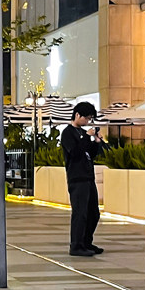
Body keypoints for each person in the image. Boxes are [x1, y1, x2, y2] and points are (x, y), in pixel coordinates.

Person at [60, 101, 104, 256]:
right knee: (80, 213)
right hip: (77, 178)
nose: (87, 121)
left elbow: (89, 153)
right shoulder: (68, 133)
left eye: (90, 118)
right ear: (77, 115)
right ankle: (76, 245)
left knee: (93, 213)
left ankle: (86, 242)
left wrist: (96, 143)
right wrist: (86, 137)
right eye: (86, 118)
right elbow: (75, 152)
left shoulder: (82, 133)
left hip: (88, 177)